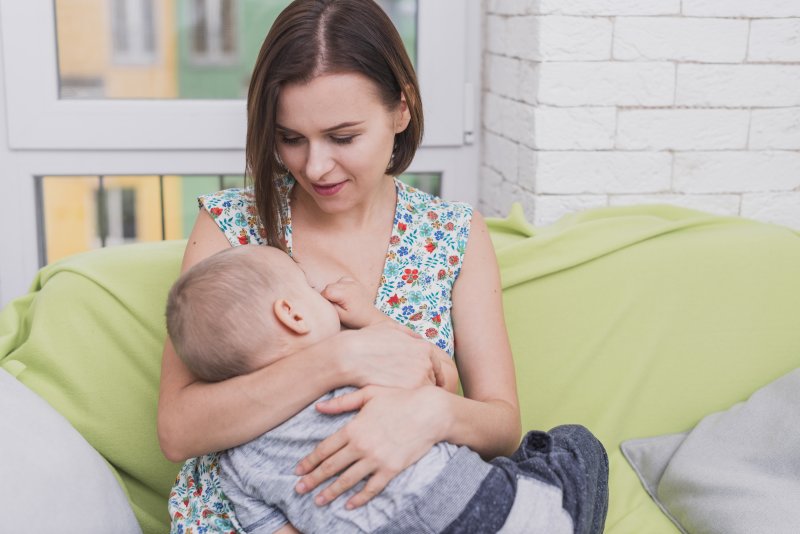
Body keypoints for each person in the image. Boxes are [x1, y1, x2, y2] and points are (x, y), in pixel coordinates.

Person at [158, 0, 608, 533]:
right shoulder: (234, 225)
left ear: (402, 109)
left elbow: (501, 423)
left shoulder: (451, 235)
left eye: (343, 137)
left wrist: (431, 415)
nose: (315, 166)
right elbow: (178, 430)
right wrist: (341, 357)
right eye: (291, 139)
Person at [165, 244, 608, 533]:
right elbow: (438, 372)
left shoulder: (236, 462)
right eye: (310, 289)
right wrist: (368, 318)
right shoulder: (364, 366)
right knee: (576, 445)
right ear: (293, 315)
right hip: (490, 511)